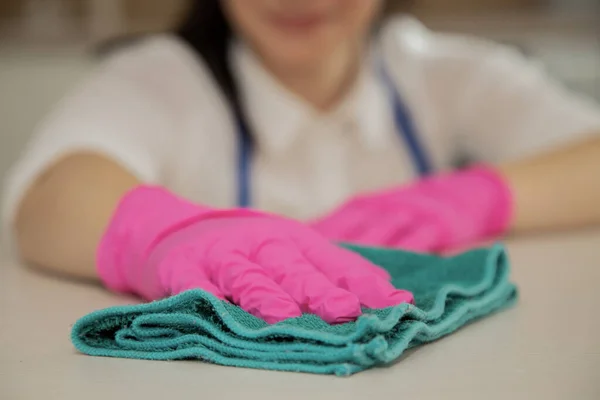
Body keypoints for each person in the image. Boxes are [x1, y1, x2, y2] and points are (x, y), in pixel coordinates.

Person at [3, 0, 600, 323]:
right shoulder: (159, 77)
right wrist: (168, 233)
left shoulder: (444, 73)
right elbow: (51, 196)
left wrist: (476, 197)